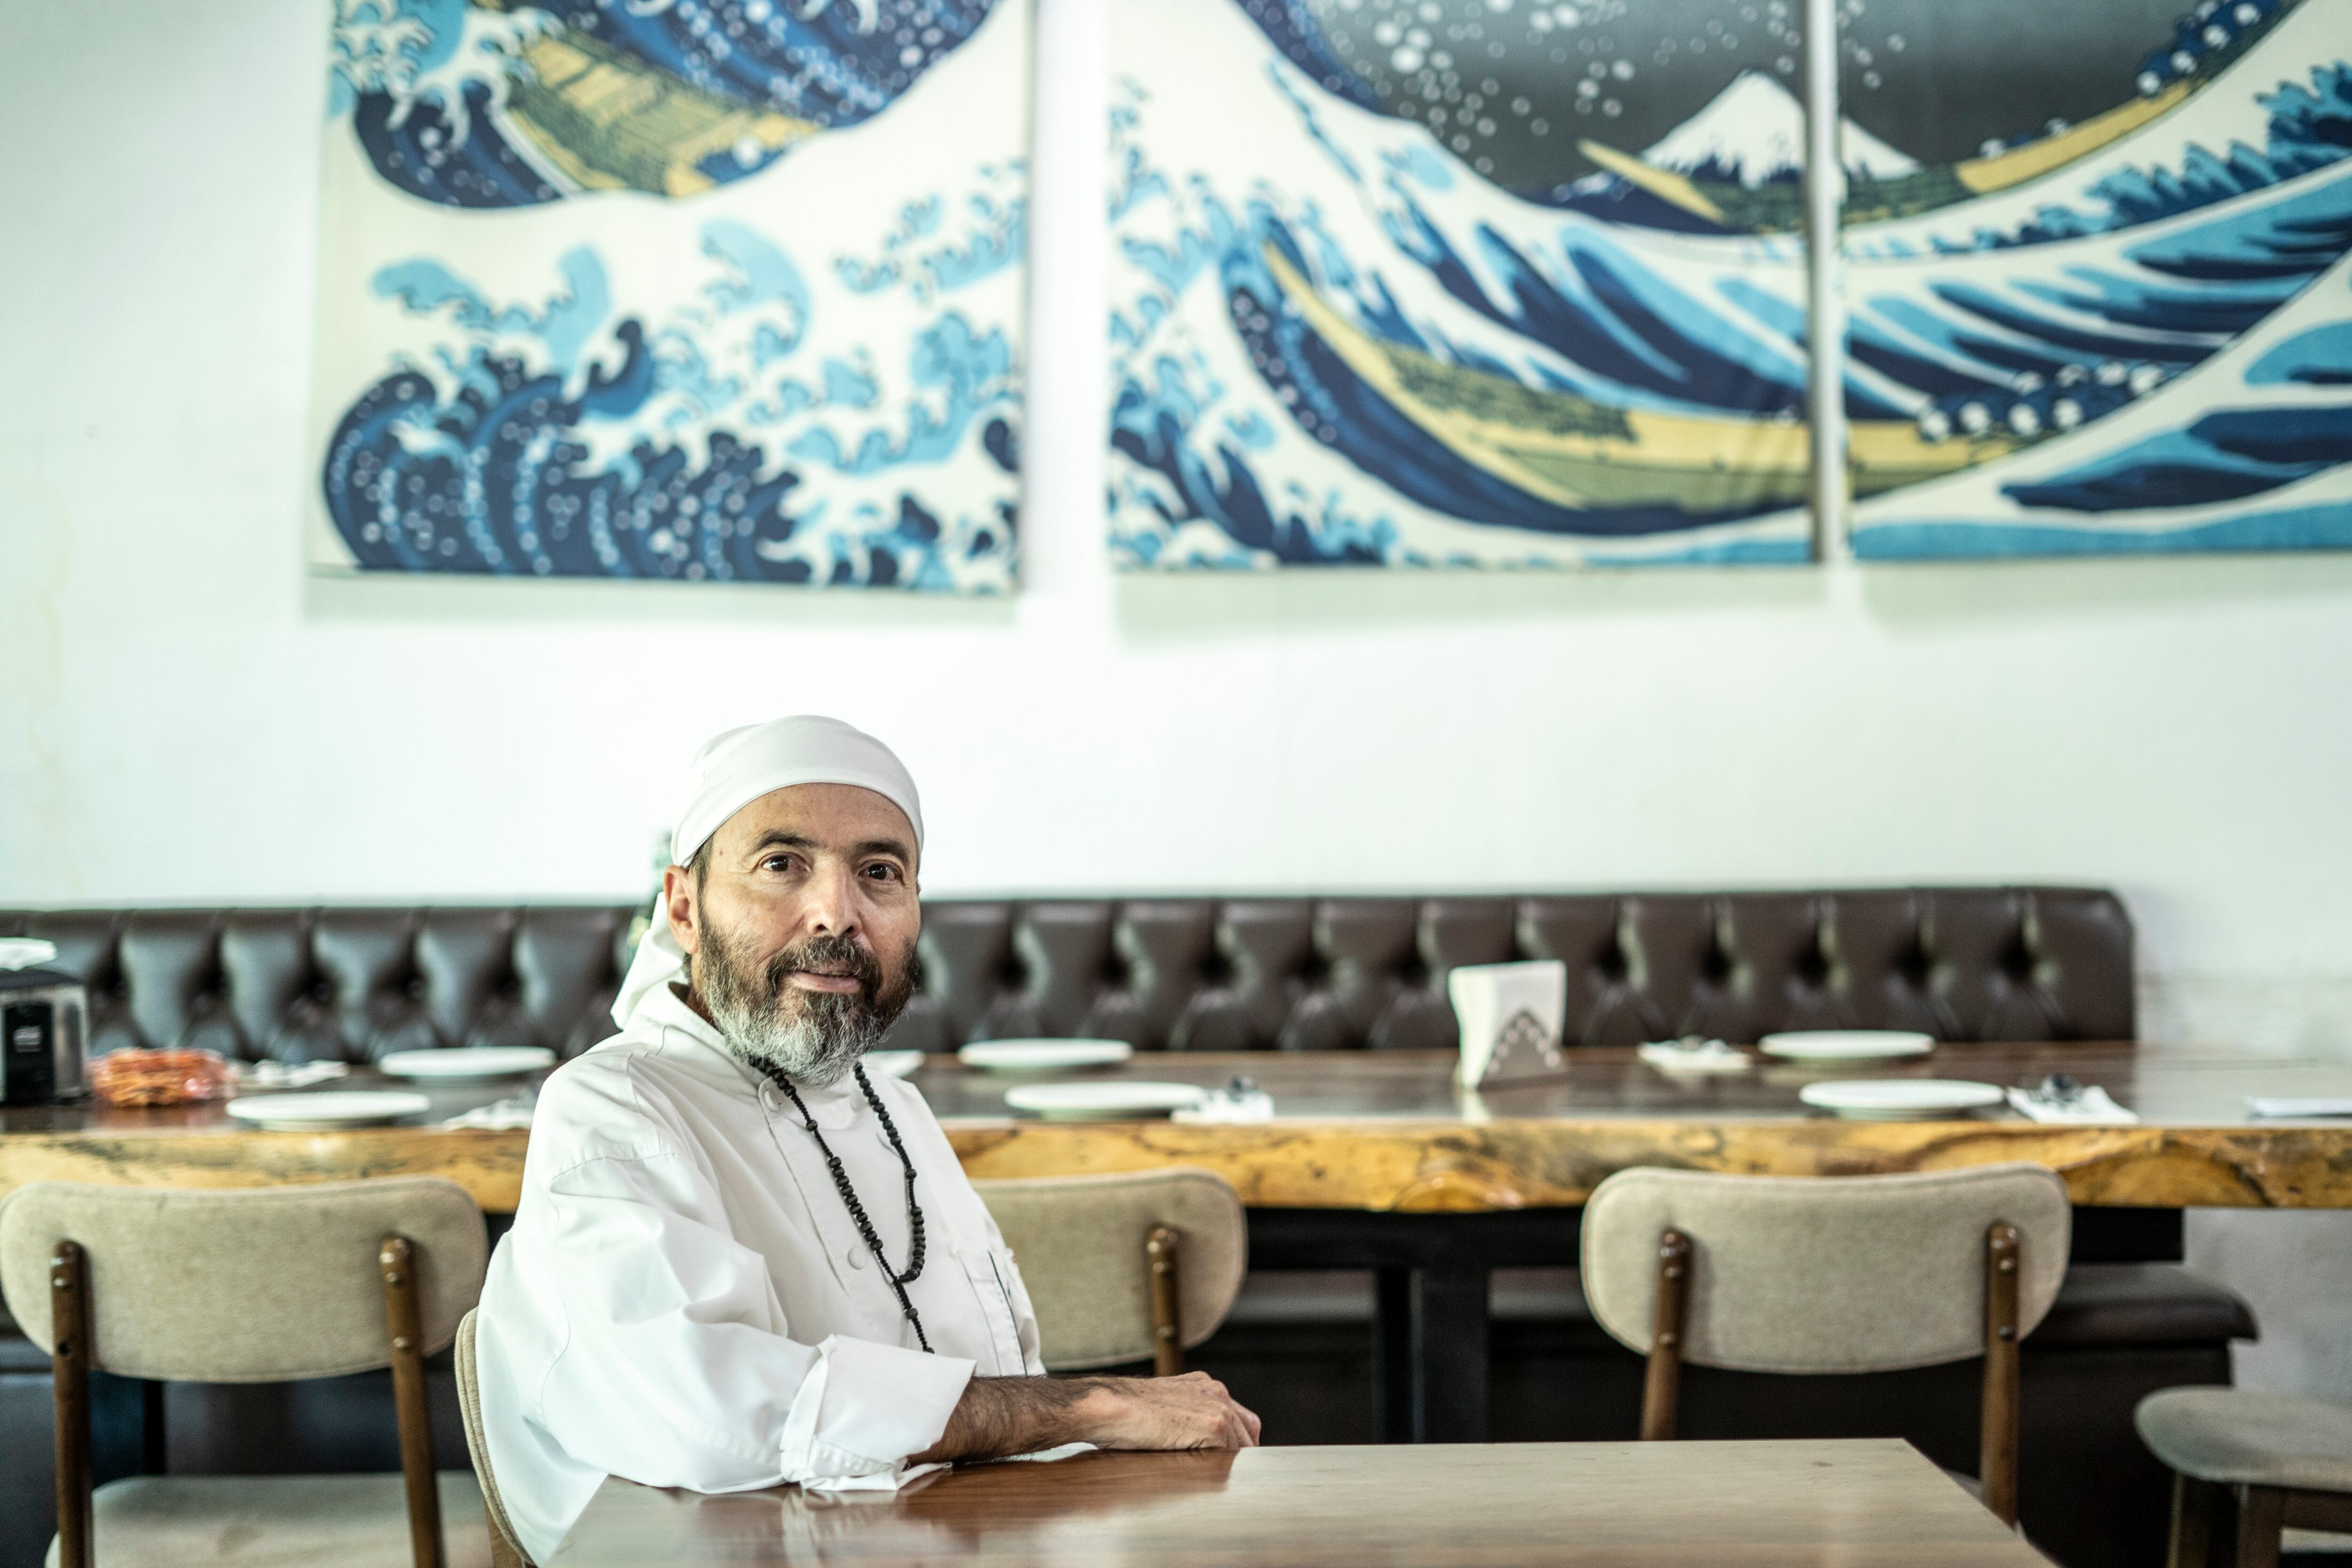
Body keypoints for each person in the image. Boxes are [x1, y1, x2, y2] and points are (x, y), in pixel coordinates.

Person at [472, 716, 1260, 1561]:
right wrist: (1092, 1406)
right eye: (783, 865)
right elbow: (715, 1415)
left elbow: (1005, 1391)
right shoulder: (610, 1107)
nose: (835, 915)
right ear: (684, 907)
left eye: (879, 873)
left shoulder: (899, 1107)